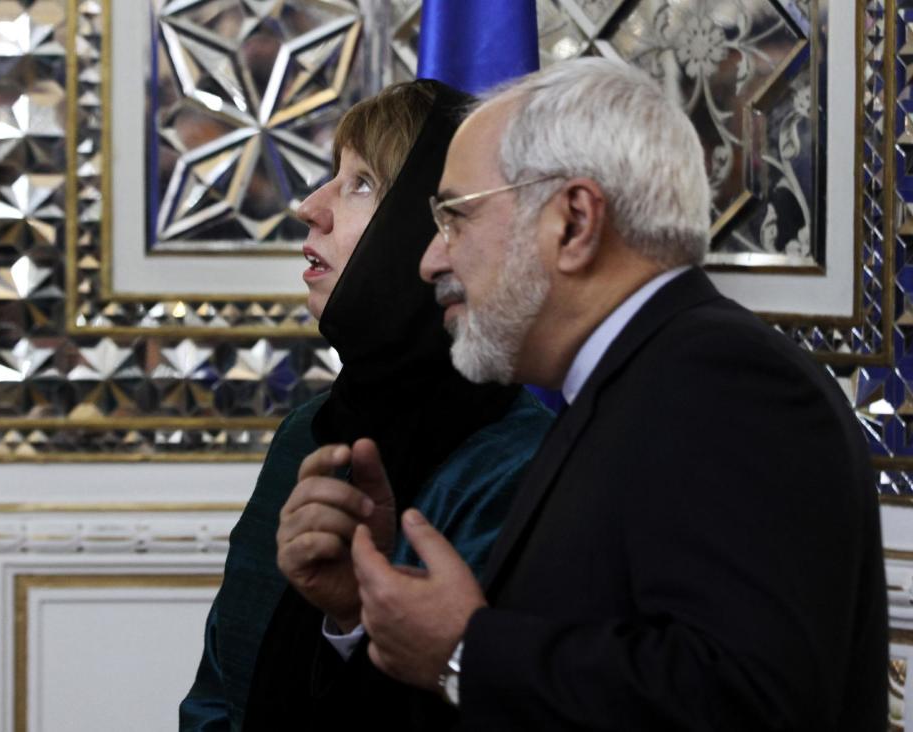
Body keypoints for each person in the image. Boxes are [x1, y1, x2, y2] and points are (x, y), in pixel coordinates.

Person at [347, 58, 889, 730]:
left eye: (454, 216)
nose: (431, 258)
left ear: (574, 222)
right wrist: (374, 601)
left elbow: (746, 700)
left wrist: (465, 653)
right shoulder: (632, 383)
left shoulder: (725, 382)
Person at [178, 80, 554, 731]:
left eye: (360, 184)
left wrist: (352, 620)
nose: (308, 207)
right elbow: (219, 691)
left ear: (427, 224)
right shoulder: (311, 430)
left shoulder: (519, 462)